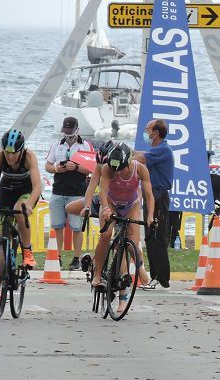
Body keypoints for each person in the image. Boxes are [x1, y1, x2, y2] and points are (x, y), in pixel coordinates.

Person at [67, 140, 151, 288]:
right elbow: (93, 187)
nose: (113, 171)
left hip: (128, 202)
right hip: (105, 199)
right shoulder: (103, 168)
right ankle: (96, 265)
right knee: (104, 233)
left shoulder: (128, 165)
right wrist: (87, 207)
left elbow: (142, 162)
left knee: (129, 240)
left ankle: (132, 270)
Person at [97, 143, 154, 315]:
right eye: (115, 170)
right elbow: (102, 192)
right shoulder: (108, 169)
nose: (118, 174)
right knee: (106, 234)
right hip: (112, 204)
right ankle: (98, 274)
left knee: (130, 246)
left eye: (121, 170)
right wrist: (106, 209)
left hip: (131, 205)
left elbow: (149, 196)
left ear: (128, 163)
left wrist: (150, 216)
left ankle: (139, 269)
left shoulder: (140, 170)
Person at [0, 129, 42, 269]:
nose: (10, 157)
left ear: (21, 150)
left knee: (19, 210)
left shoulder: (29, 157)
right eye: (7, 152)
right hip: (7, 191)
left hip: (26, 192)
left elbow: (37, 186)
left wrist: (30, 204)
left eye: (14, 153)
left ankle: (27, 252)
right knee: (0, 250)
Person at [44, 117, 91, 271]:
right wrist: (57, 169)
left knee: (77, 226)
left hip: (77, 192)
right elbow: (48, 166)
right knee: (57, 225)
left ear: (77, 130)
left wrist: (76, 167)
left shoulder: (85, 145)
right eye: (65, 132)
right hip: (58, 190)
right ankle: (56, 256)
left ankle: (76, 258)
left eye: (70, 132)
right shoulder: (57, 145)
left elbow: (93, 168)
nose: (68, 135)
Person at [134, 119, 173, 288]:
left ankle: (161, 277)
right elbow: (140, 154)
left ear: (156, 133)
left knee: (157, 236)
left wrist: (126, 156)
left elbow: (141, 158)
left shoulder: (163, 150)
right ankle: (155, 275)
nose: (145, 132)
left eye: (147, 129)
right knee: (150, 236)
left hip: (158, 195)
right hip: (152, 195)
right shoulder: (157, 149)